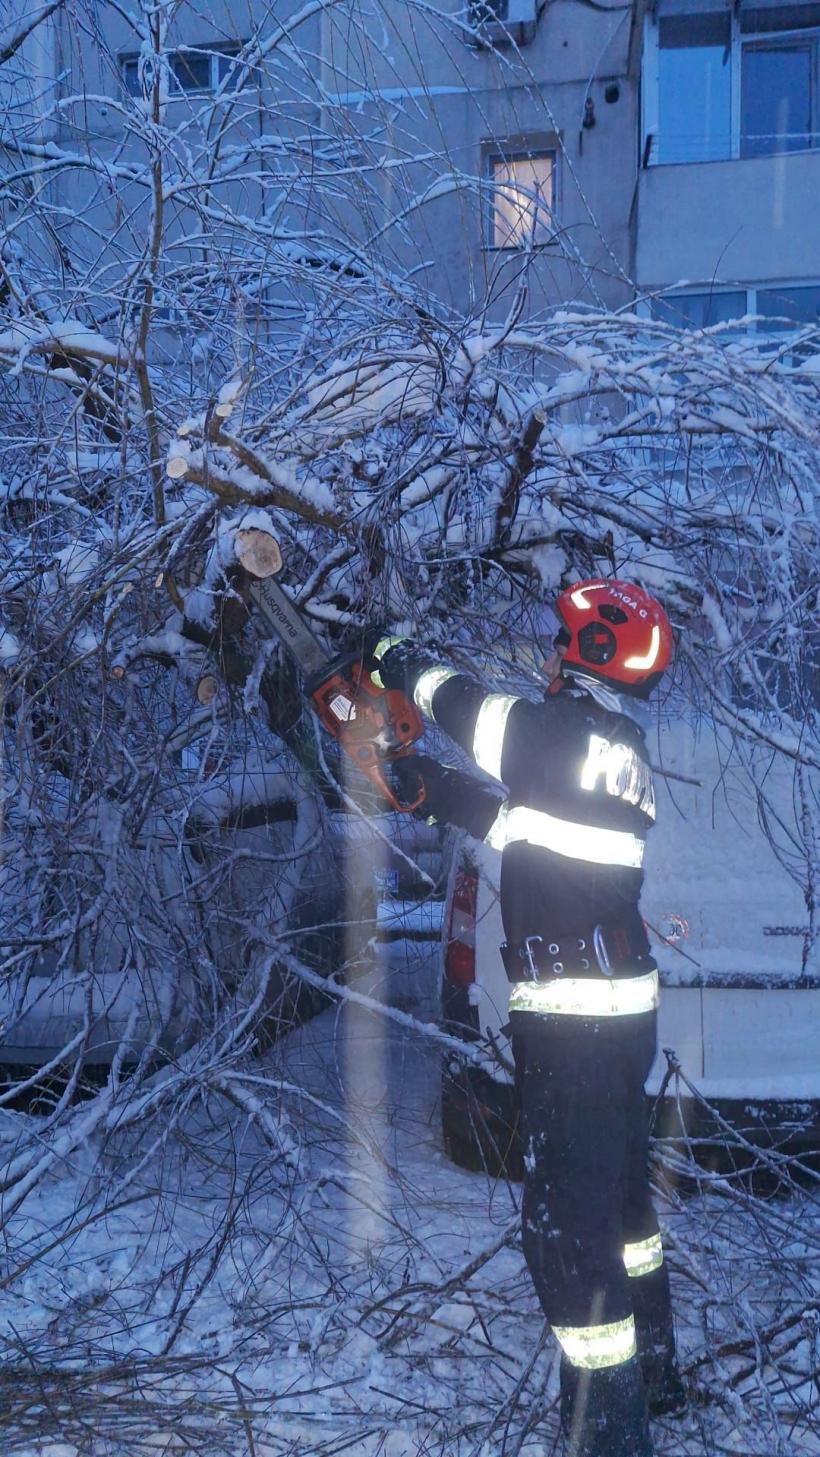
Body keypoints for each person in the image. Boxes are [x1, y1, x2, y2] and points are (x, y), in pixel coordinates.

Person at [367, 579, 682, 1457]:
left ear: (590, 654)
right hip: (616, 1020)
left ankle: (609, 1434)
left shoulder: (559, 731)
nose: (546, 655)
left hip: (577, 1028)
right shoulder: (611, 749)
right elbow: (529, 833)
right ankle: (655, 1375)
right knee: (620, 1206)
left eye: (558, 641)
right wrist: (436, 792)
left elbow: (469, 711)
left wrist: (399, 660)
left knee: (566, 1237)